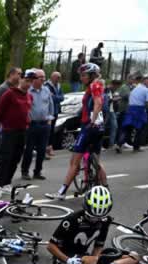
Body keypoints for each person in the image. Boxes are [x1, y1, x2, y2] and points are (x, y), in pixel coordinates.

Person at [47, 186, 148, 264]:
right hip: (67, 259)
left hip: (85, 257)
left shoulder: (105, 220)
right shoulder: (72, 219)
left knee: (134, 257)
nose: (95, 220)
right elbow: (50, 246)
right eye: (91, 216)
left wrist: (97, 261)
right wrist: (68, 260)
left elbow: (99, 244)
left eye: (99, 217)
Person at [46, 63, 107, 201]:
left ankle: (61, 192)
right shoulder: (98, 85)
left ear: (91, 75)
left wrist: (92, 120)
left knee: (74, 161)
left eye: (84, 75)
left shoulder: (94, 86)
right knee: (96, 160)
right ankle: (105, 188)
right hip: (99, 127)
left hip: (90, 127)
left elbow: (98, 103)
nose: (81, 77)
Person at [0, 70, 34, 199]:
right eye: (26, 81)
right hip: (9, 130)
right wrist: (3, 123)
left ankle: (7, 183)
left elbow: (27, 112)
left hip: (22, 130)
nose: (28, 84)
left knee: (16, 158)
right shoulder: (9, 94)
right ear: (20, 80)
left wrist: (27, 121)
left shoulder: (29, 96)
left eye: (31, 82)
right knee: (5, 158)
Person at [0, 67, 22, 183]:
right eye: (19, 74)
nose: (20, 76)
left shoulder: (14, 89)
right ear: (11, 74)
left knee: (5, 150)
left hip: (9, 125)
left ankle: (0, 173)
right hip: (2, 124)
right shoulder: (3, 89)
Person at [21, 68, 53, 180]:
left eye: (44, 77)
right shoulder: (28, 91)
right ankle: (25, 171)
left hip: (44, 124)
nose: (43, 80)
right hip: (31, 124)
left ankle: (37, 171)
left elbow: (50, 105)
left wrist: (50, 118)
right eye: (41, 78)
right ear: (34, 79)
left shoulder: (46, 90)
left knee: (42, 150)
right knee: (28, 150)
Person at [115, 75, 148, 153]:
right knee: (140, 129)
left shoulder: (133, 88)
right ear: (144, 81)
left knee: (126, 128)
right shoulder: (147, 90)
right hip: (140, 110)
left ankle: (119, 144)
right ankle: (136, 147)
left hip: (130, 109)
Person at [45, 71, 65, 158]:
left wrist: (55, 97)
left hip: (56, 111)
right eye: (57, 77)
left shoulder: (59, 86)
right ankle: (45, 148)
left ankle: (50, 147)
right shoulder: (47, 86)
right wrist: (57, 97)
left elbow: (62, 97)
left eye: (59, 78)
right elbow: (49, 98)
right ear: (52, 77)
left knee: (52, 130)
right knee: (47, 130)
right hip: (48, 111)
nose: (59, 79)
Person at [105, 80, 122, 148]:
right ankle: (101, 144)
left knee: (114, 127)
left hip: (113, 111)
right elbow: (105, 100)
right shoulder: (106, 90)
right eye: (116, 86)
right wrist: (114, 99)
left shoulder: (115, 91)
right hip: (107, 111)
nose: (117, 88)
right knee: (103, 127)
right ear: (113, 85)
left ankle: (111, 143)